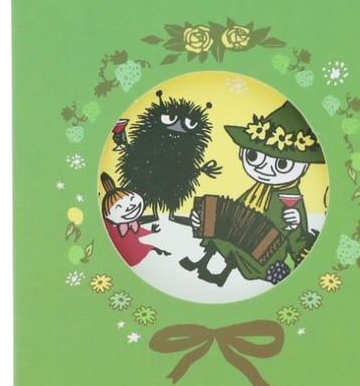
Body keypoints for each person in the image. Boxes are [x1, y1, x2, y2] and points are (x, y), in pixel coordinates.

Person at [180, 101, 325, 286]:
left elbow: (299, 240)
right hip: (246, 242)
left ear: (304, 167)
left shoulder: (292, 198)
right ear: (242, 153)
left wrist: (295, 224)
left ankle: (222, 274)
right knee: (220, 235)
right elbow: (235, 214)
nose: (265, 169)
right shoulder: (257, 190)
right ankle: (202, 263)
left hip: (268, 253)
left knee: (237, 247)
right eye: (254, 156)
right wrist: (203, 220)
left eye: (282, 164)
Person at [100, 172, 170, 267]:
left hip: (135, 249)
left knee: (149, 248)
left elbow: (138, 231)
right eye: (119, 207)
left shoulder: (132, 224)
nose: (131, 207)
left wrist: (151, 231)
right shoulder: (112, 227)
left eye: (132, 199)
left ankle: (160, 252)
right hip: (125, 255)